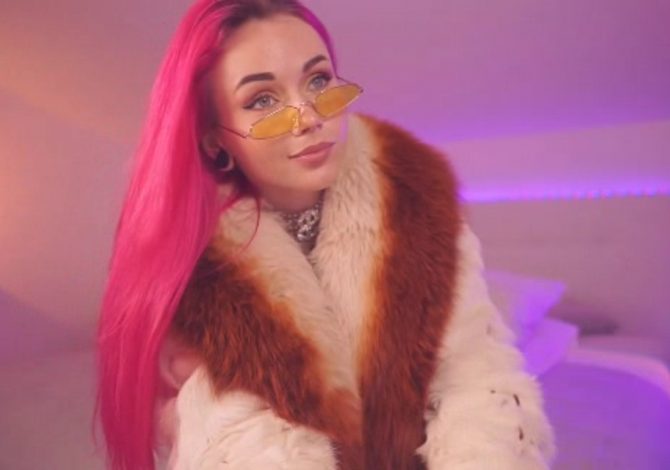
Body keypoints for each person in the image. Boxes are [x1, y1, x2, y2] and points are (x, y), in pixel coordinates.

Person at [96, 0, 556, 469]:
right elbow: (246, 445)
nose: (309, 117)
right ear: (216, 138)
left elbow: (474, 374)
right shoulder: (196, 270)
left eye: (318, 81)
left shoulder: (417, 202)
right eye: (262, 100)